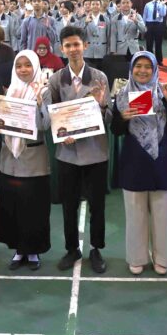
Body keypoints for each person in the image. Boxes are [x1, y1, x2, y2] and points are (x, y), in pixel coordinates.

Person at [48, 25, 111, 273]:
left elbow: (108, 118)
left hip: (95, 151)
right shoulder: (56, 79)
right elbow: (52, 116)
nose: (73, 49)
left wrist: (102, 106)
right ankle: (71, 248)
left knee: (97, 205)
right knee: (69, 204)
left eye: (77, 44)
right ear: (61, 49)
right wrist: (61, 134)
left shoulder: (99, 77)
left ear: (86, 46)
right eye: (68, 45)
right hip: (68, 154)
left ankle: (96, 249)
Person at [112, 52, 167, 275]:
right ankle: (137, 257)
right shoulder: (122, 95)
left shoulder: (163, 91)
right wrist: (123, 118)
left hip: (162, 159)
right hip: (134, 160)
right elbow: (116, 130)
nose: (142, 70)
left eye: (147, 66)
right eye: (138, 66)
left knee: (162, 214)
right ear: (131, 69)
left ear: (154, 69)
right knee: (135, 213)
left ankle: (162, 258)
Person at [0, 50, 52, 270]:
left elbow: (45, 125)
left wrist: (39, 103)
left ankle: (33, 251)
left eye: (28, 65)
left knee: (34, 207)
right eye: (19, 66)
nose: (23, 69)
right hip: (10, 158)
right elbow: (3, 126)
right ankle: (19, 250)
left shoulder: (44, 91)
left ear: (35, 67)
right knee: (13, 206)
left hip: (33, 159)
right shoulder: (10, 91)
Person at [83, 0, 111, 70]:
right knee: (89, 71)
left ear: (100, 6)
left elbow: (108, 35)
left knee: (101, 71)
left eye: (97, 4)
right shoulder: (84, 19)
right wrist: (85, 23)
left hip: (101, 50)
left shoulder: (106, 19)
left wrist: (109, 50)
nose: (95, 6)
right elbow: (80, 34)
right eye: (93, 4)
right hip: (88, 51)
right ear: (90, 6)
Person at [142, 0, 167, 64]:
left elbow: (163, 14)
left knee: (158, 43)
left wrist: (162, 5)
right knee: (149, 42)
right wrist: (143, 26)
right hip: (149, 24)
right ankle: (149, 59)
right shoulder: (148, 4)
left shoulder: (164, 5)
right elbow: (144, 15)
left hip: (159, 24)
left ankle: (159, 60)